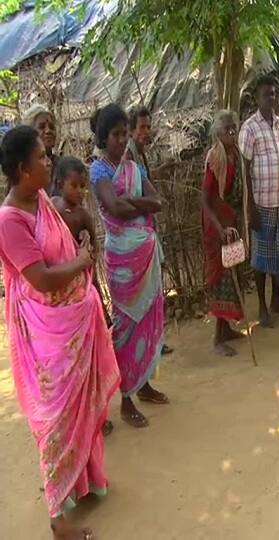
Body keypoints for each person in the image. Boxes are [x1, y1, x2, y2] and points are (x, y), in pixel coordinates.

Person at [0, 125, 120, 540]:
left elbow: (60, 256)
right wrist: (84, 261)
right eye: (41, 158)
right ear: (21, 168)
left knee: (81, 406)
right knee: (55, 420)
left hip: (74, 323)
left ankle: (83, 482)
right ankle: (57, 520)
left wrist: (80, 262)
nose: (48, 162)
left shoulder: (42, 205)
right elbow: (43, 279)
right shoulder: (11, 220)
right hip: (45, 335)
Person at [89, 103, 168, 428]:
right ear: (104, 137)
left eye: (125, 133)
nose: (123, 140)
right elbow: (114, 209)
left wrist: (132, 203)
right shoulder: (99, 171)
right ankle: (125, 398)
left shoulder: (132, 166)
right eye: (116, 134)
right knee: (125, 327)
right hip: (122, 260)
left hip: (146, 257)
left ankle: (144, 382)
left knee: (149, 319)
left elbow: (158, 201)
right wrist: (140, 205)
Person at [239, 75, 279, 328]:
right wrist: (250, 205)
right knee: (262, 258)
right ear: (257, 98)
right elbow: (245, 169)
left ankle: (275, 300)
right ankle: (261, 306)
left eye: (273, 93)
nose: (270, 98)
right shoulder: (249, 127)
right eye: (266, 94)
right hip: (261, 202)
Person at [125, 105, 174, 356]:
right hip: (137, 231)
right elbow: (133, 196)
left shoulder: (140, 154)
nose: (147, 131)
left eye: (148, 126)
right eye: (142, 127)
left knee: (154, 286)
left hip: (147, 227)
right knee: (145, 289)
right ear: (131, 130)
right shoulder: (129, 156)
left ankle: (154, 337)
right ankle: (148, 341)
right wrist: (152, 203)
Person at [51, 156, 113, 342]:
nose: (80, 191)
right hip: (57, 281)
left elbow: (92, 251)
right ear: (60, 185)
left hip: (78, 282)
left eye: (83, 186)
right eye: (74, 186)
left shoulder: (83, 216)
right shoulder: (52, 207)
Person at [201, 110, 247, 356]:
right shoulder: (215, 158)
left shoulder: (235, 155)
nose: (231, 133)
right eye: (227, 129)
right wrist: (219, 228)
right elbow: (206, 200)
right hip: (217, 228)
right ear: (217, 132)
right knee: (221, 278)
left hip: (231, 224)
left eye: (234, 128)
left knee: (233, 274)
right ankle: (218, 338)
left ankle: (226, 328)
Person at [22, 105, 59, 195]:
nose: (48, 131)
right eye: (42, 127)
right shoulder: (23, 169)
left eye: (51, 127)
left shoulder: (63, 165)